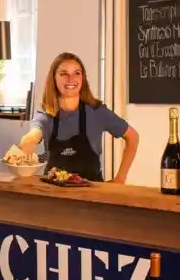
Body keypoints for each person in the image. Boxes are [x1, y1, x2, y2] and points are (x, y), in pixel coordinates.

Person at [20, 52, 139, 183]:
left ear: (82, 78)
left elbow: (133, 137)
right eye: (64, 73)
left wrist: (120, 178)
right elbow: (34, 133)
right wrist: (29, 140)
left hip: (92, 193)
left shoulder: (97, 112)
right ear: (53, 78)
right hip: (54, 192)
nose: (71, 79)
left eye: (77, 73)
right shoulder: (46, 115)